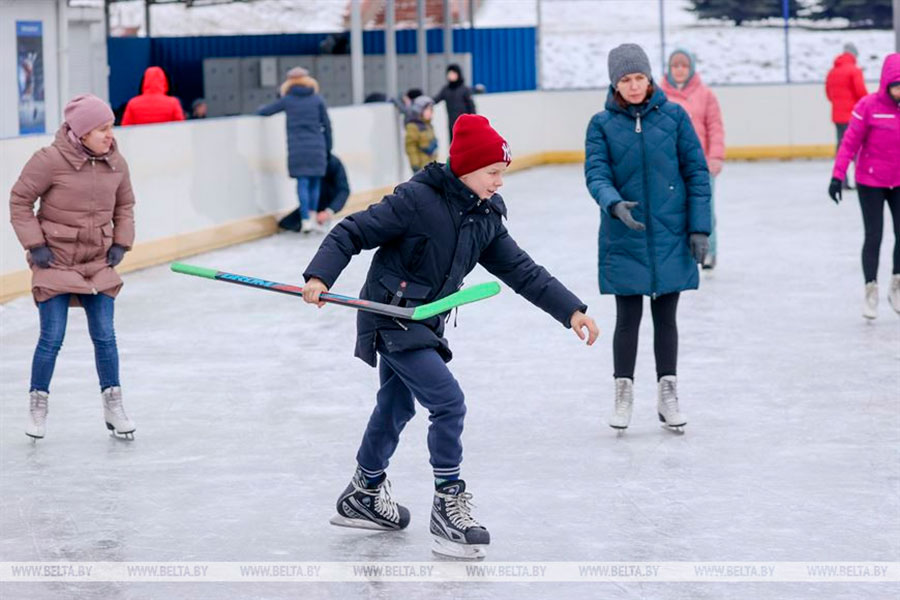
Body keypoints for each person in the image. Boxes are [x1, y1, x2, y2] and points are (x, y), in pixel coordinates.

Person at [301, 115, 599, 559]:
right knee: (448, 401)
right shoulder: (416, 200)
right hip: (391, 315)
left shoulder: (485, 216)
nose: (499, 182)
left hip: (426, 319)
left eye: (502, 173)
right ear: (467, 168)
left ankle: (363, 490)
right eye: (493, 172)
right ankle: (447, 502)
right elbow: (352, 231)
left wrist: (570, 308)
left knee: (396, 404)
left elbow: (522, 271)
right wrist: (319, 276)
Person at [584, 43, 711, 432]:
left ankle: (667, 394)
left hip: (671, 233)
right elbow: (596, 173)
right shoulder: (601, 125)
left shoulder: (674, 117)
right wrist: (613, 203)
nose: (634, 86)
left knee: (666, 318)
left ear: (650, 77)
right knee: (627, 319)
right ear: (614, 83)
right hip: (625, 233)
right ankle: (623, 394)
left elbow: (696, 174)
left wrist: (700, 228)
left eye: (639, 77)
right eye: (626, 79)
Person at [8, 94, 137, 440]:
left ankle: (114, 404)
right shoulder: (49, 160)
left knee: (105, 337)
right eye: (102, 129)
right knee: (52, 337)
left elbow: (125, 205)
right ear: (81, 133)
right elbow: (20, 200)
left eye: (111, 127)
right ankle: (38, 405)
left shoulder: (116, 162)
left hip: (98, 261)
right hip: (55, 261)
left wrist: (121, 242)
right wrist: (35, 245)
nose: (110, 135)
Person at [829, 53, 900, 320]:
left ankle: (897, 282)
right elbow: (849, 143)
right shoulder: (868, 106)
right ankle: (870, 288)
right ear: (885, 84)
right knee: (875, 235)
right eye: (896, 86)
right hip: (870, 181)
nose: (899, 92)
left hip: (899, 181)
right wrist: (837, 176)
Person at [660, 48, 725, 270]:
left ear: (692, 68)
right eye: (675, 65)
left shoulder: (706, 95)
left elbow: (715, 127)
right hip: (670, 165)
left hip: (701, 164)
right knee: (673, 210)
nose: (679, 70)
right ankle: (677, 253)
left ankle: (709, 251)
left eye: (684, 65)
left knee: (704, 207)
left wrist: (715, 157)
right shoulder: (659, 95)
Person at [258, 67, 332, 234]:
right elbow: (327, 125)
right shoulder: (317, 100)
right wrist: (328, 146)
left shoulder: (288, 100)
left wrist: (260, 108)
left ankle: (305, 219)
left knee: (302, 183)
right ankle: (313, 218)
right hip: (317, 146)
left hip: (297, 148)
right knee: (315, 183)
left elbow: (265, 111)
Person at [826, 42, 868, 190]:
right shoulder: (854, 71)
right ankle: (860, 180)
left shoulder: (832, 71)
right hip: (853, 116)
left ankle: (841, 180)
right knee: (857, 148)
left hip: (838, 116)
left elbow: (829, 94)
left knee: (842, 148)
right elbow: (861, 94)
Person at [277, 153, 350, 232]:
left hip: (325, 203)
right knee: (285, 224)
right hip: (311, 206)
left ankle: (315, 218)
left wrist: (329, 211)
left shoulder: (333, 163)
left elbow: (344, 190)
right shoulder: (308, 161)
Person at [121, 66, 185, 126]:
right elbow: (180, 127)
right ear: (164, 82)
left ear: (144, 81)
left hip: (141, 137)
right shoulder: (173, 103)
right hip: (166, 137)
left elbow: (125, 129)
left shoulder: (132, 104)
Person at [433, 64, 476, 141]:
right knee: (453, 143)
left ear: (458, 74)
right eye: (449, 73)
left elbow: (471, 107)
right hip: (452, 124)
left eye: (453, 73)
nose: (451, 75)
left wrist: (473, 121)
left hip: (465, 123)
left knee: (466, 142)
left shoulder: (464, 89)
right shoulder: (446, 89)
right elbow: (435, 100)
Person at [404, 95, 438, 173]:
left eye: (431, 109)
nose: (430, 112)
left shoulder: (429, 125)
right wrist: (415, 165)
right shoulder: (413, 126)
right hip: (421, 168)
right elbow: (411, 147)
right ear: (419, 110)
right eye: (427, 109)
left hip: (431, 167)